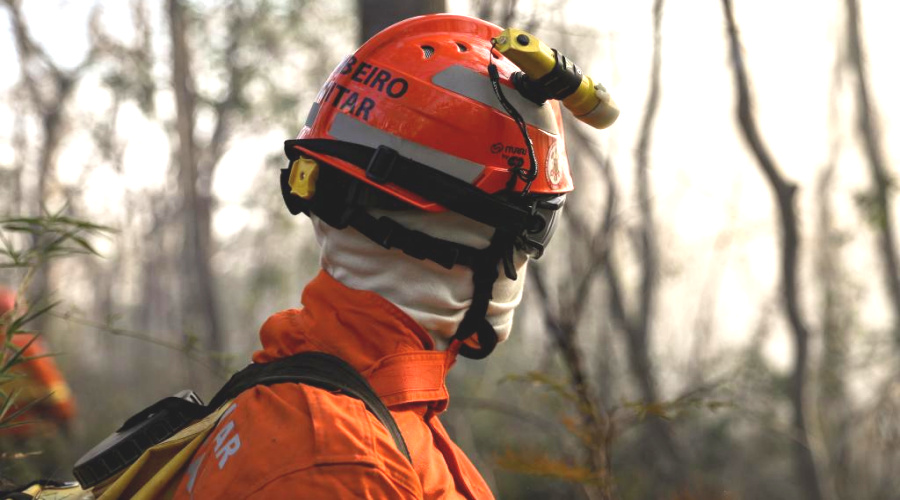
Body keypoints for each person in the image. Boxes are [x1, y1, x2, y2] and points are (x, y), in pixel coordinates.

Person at [171, 13, 608, 499]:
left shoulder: (349, 405)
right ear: (474, 233)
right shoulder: (341, 462)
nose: (524, 261)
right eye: (533, 228)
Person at [0, 288, 76, 482]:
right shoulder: (22, 345)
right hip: (30, 436)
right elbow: (56, 392)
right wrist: (66, 419)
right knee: (54, 485)